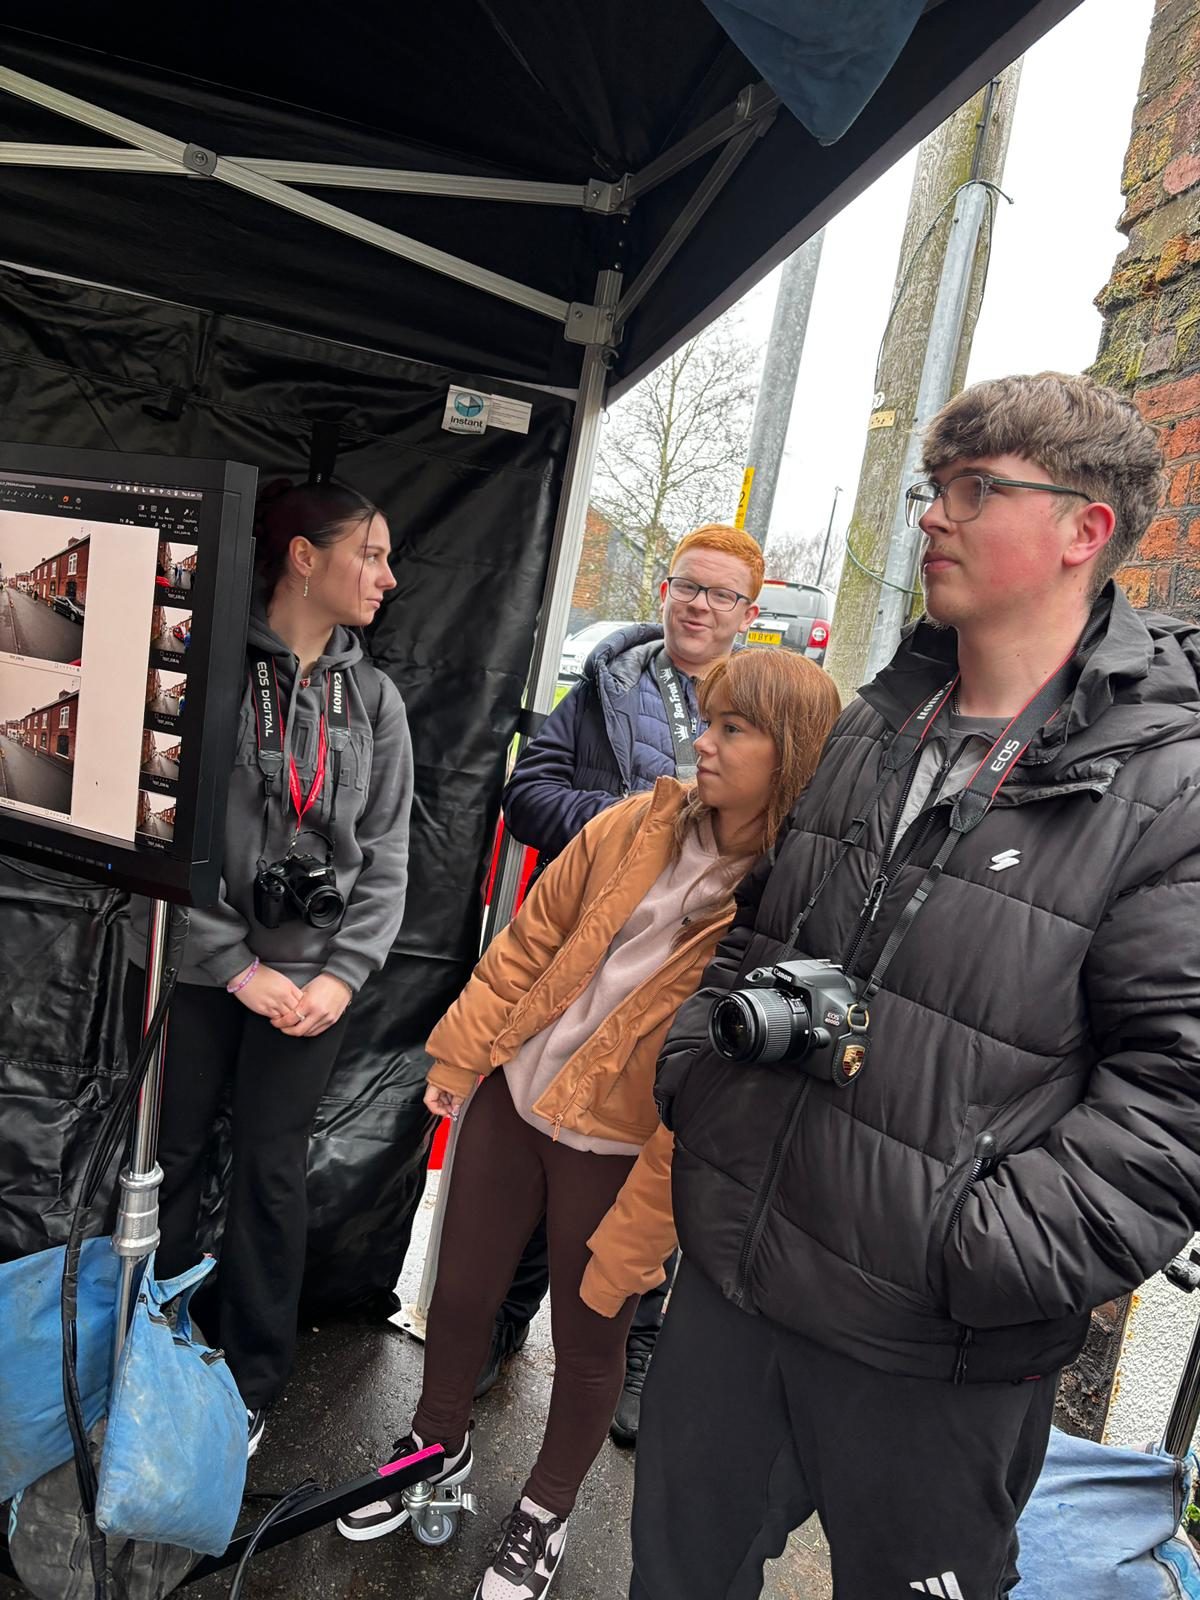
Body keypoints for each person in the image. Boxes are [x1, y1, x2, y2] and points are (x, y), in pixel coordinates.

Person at [625, 373, 1200, 1600]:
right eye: (934, 487)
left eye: (975, 488)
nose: (933, 514)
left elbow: (1176, 1097)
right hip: (736, 1279)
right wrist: (695, 1077)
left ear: (1085, 530)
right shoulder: (879, 723)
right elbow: (759, 929)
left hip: (935, 1343)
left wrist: (974, 1251)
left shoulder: (1169, 786)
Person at [338, 648, 841, 1600]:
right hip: (517, 1096)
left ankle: (545, 1510)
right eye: (707, 720)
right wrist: (461, 1055)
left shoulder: (786, 905)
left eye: (734, 729)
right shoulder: (631, 823)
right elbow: (529, 938)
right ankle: (433, 1448)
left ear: (793, 753)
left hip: (621, 1146)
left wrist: (658, 1209)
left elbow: (725, 1080)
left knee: (590, 1333)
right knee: (460, 1294)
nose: (704, 742)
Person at [124, 479, 413, 1456]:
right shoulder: (202, 671)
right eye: (370, 554)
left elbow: (387, 859)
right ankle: (144, 1350)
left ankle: (249, 1385)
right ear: (302, 556)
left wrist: (339, 977)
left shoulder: (375, 702)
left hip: (312, 987)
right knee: (172, 1159)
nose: (386, 577)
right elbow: (159, 832)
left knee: (271, 1174)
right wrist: (233, 964)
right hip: (205, 973)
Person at [488, 521, 765, 1443]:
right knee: (542, 1144)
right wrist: (630, 825)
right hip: (578, 969)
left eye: (720, 594)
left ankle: (633, 1353)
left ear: (748, 614)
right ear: (664, 590)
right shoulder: (605, 686)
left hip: (678, 985)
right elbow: (528, 796)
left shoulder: (760, 712)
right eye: (687, 585)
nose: (698, 605)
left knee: (647, 1170)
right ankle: (503, 1326)